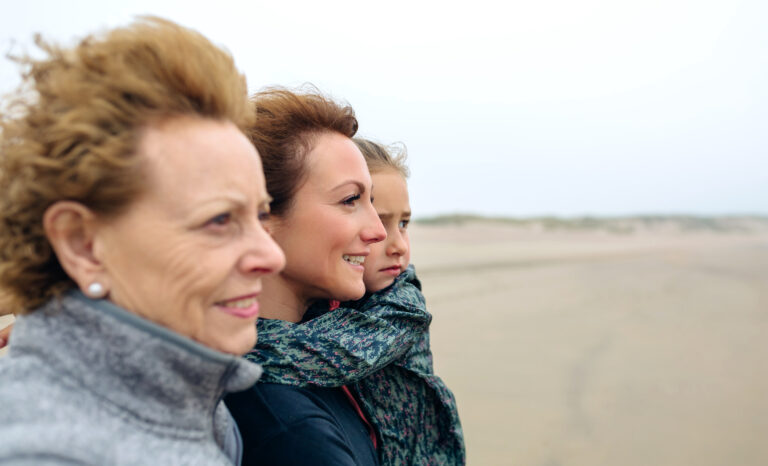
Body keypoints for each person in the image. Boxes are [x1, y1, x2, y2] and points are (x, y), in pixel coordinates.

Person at [0, 17, 285, 465]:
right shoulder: (43, 452)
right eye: (219, 220)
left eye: (262, 213)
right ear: (83, 245)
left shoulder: (195, 402)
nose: (272, 255)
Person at [242, 139, 466, 465]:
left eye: (403, 224)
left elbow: (328, 352)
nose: (396, 244)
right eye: (352, 203)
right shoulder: (328, 303)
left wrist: (242, 348)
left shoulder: (400, 305)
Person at [224, 88, 388, 466]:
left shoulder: (323, 358)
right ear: (264, 216)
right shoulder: (290, 426)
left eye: (371, 202)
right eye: (350, 200)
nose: (378, 231)